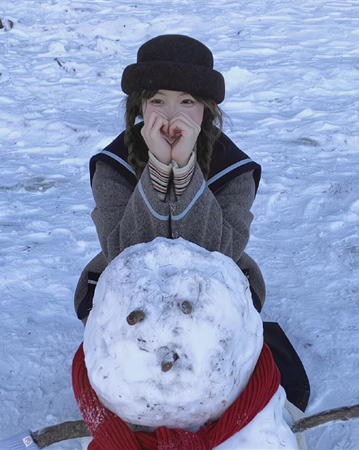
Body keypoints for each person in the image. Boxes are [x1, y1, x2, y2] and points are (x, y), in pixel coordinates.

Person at [74, 34, 265, 322]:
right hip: (130, 288)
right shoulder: (113, 166)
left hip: (213, 288)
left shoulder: (235, 170)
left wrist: (186, 170)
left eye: (187, 101)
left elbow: (221, 255)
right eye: (158, 100)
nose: (172, 116)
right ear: (140, 106)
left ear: (207, 109)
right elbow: (122, 255)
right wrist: (159, 168)